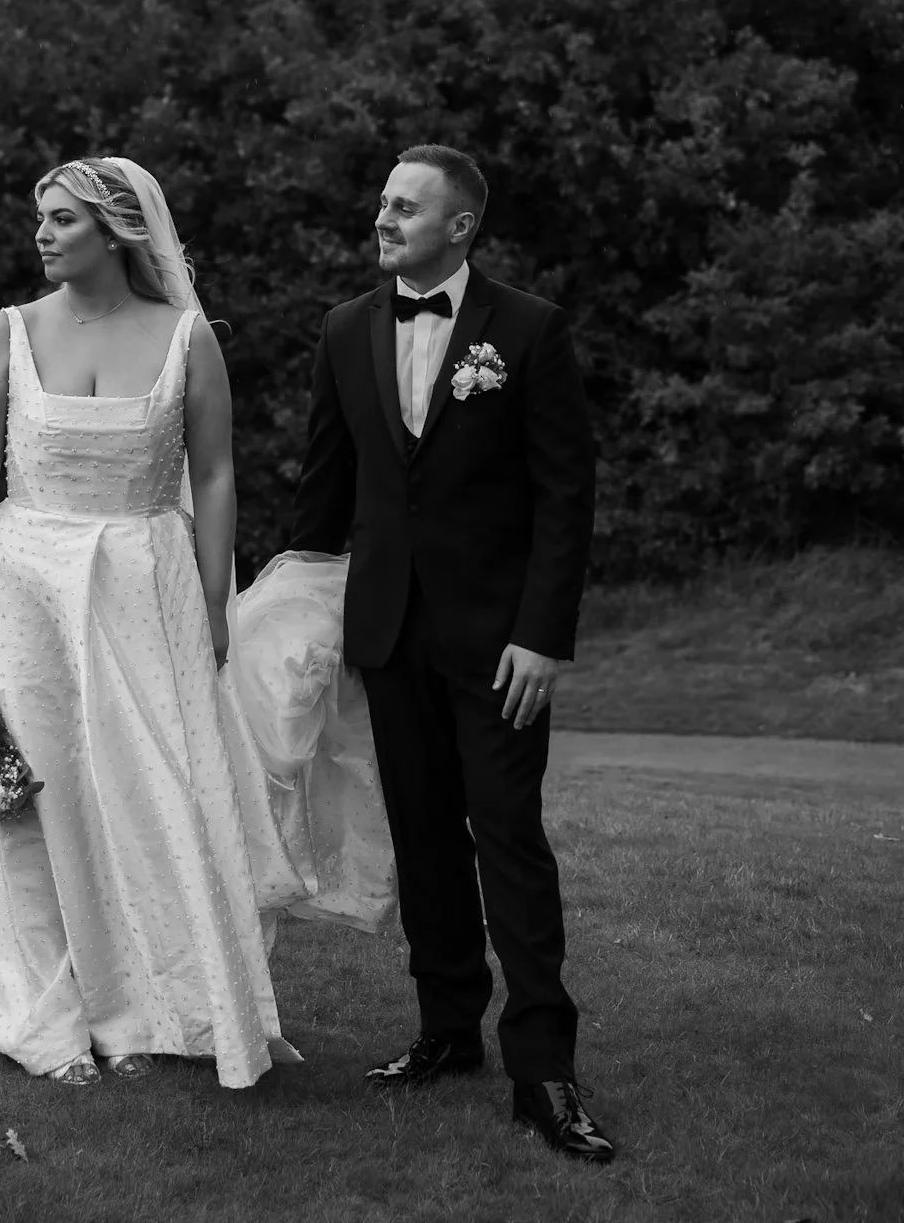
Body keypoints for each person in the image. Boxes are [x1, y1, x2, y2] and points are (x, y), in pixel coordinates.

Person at [0, 155, 303, 1089]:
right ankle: (46, 1011)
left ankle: (156, 1005)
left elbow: (215, 474)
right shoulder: (9, 332)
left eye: (61, 220)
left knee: (158, 791)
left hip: (149, 585)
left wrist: (218, 600)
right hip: (27, 590)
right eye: (41, 218)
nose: (42, 234)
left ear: (116, 232)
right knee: (38, 794)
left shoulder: (185, 337)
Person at [287, 143, 615, 1163]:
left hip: (498, 640)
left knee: (508, 835)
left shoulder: (528, 329)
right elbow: (324, 490)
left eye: (405, 205)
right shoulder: (345, 330)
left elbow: (566, 495)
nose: (382, 217)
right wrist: (277, 613)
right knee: (424, 836)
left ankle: (543, 1068)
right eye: (381, 199)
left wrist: (542, 636)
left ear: (461, 223)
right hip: (389, 633)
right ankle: (444, 1031)